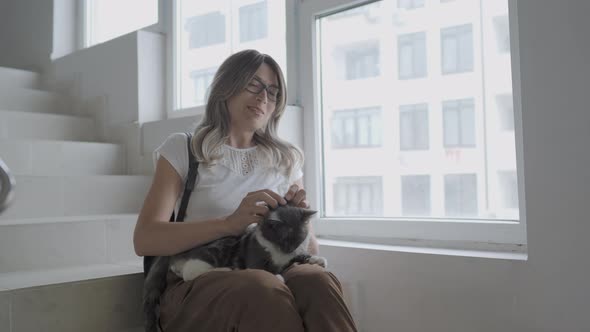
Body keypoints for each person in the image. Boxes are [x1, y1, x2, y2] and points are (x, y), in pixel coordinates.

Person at [133, 49, 358, 332]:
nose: (264, 97)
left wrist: (296, 221)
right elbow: (145, 239)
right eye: (254, 85)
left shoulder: (285, 160)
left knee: (317, 280)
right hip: (196, 280)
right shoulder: (184, 148)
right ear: (226, 86)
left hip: (270, 276)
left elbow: (311, 250)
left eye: (273, 92)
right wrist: (229, 224)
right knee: (260, 286)